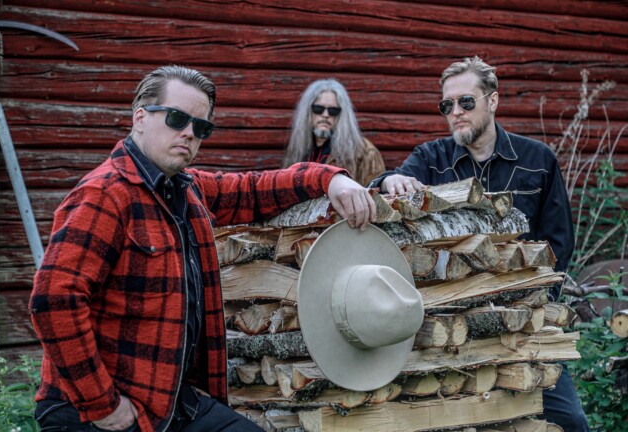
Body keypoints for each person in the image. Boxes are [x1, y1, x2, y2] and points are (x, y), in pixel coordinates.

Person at [29, 65, 376, 432]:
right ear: (140, 118)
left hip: (169, 402)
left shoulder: (186, 189)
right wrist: (102, 405)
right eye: (177, 119)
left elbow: (253, 189)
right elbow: (53, 301)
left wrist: (330, 179)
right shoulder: (105, 195)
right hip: (98, 412)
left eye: (201, 127)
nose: (189, 133)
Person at [369, 56, 590, 431]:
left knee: (570, 421)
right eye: (447, 105)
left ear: (493, 100)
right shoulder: (430, 159)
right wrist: (388, 181)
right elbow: (392, 184)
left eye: (466, 102)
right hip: (449, 326)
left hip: (523, 321)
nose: (455, 112)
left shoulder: (538, 160)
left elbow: (559, 244)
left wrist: (533, 308)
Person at [282, 78, 385, 186]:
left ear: (341, 115)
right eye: (318, 109)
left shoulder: (365, 152)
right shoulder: (298, 148)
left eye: (333, 111)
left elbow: (375, 192)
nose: (325, 115)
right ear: (308, 111)